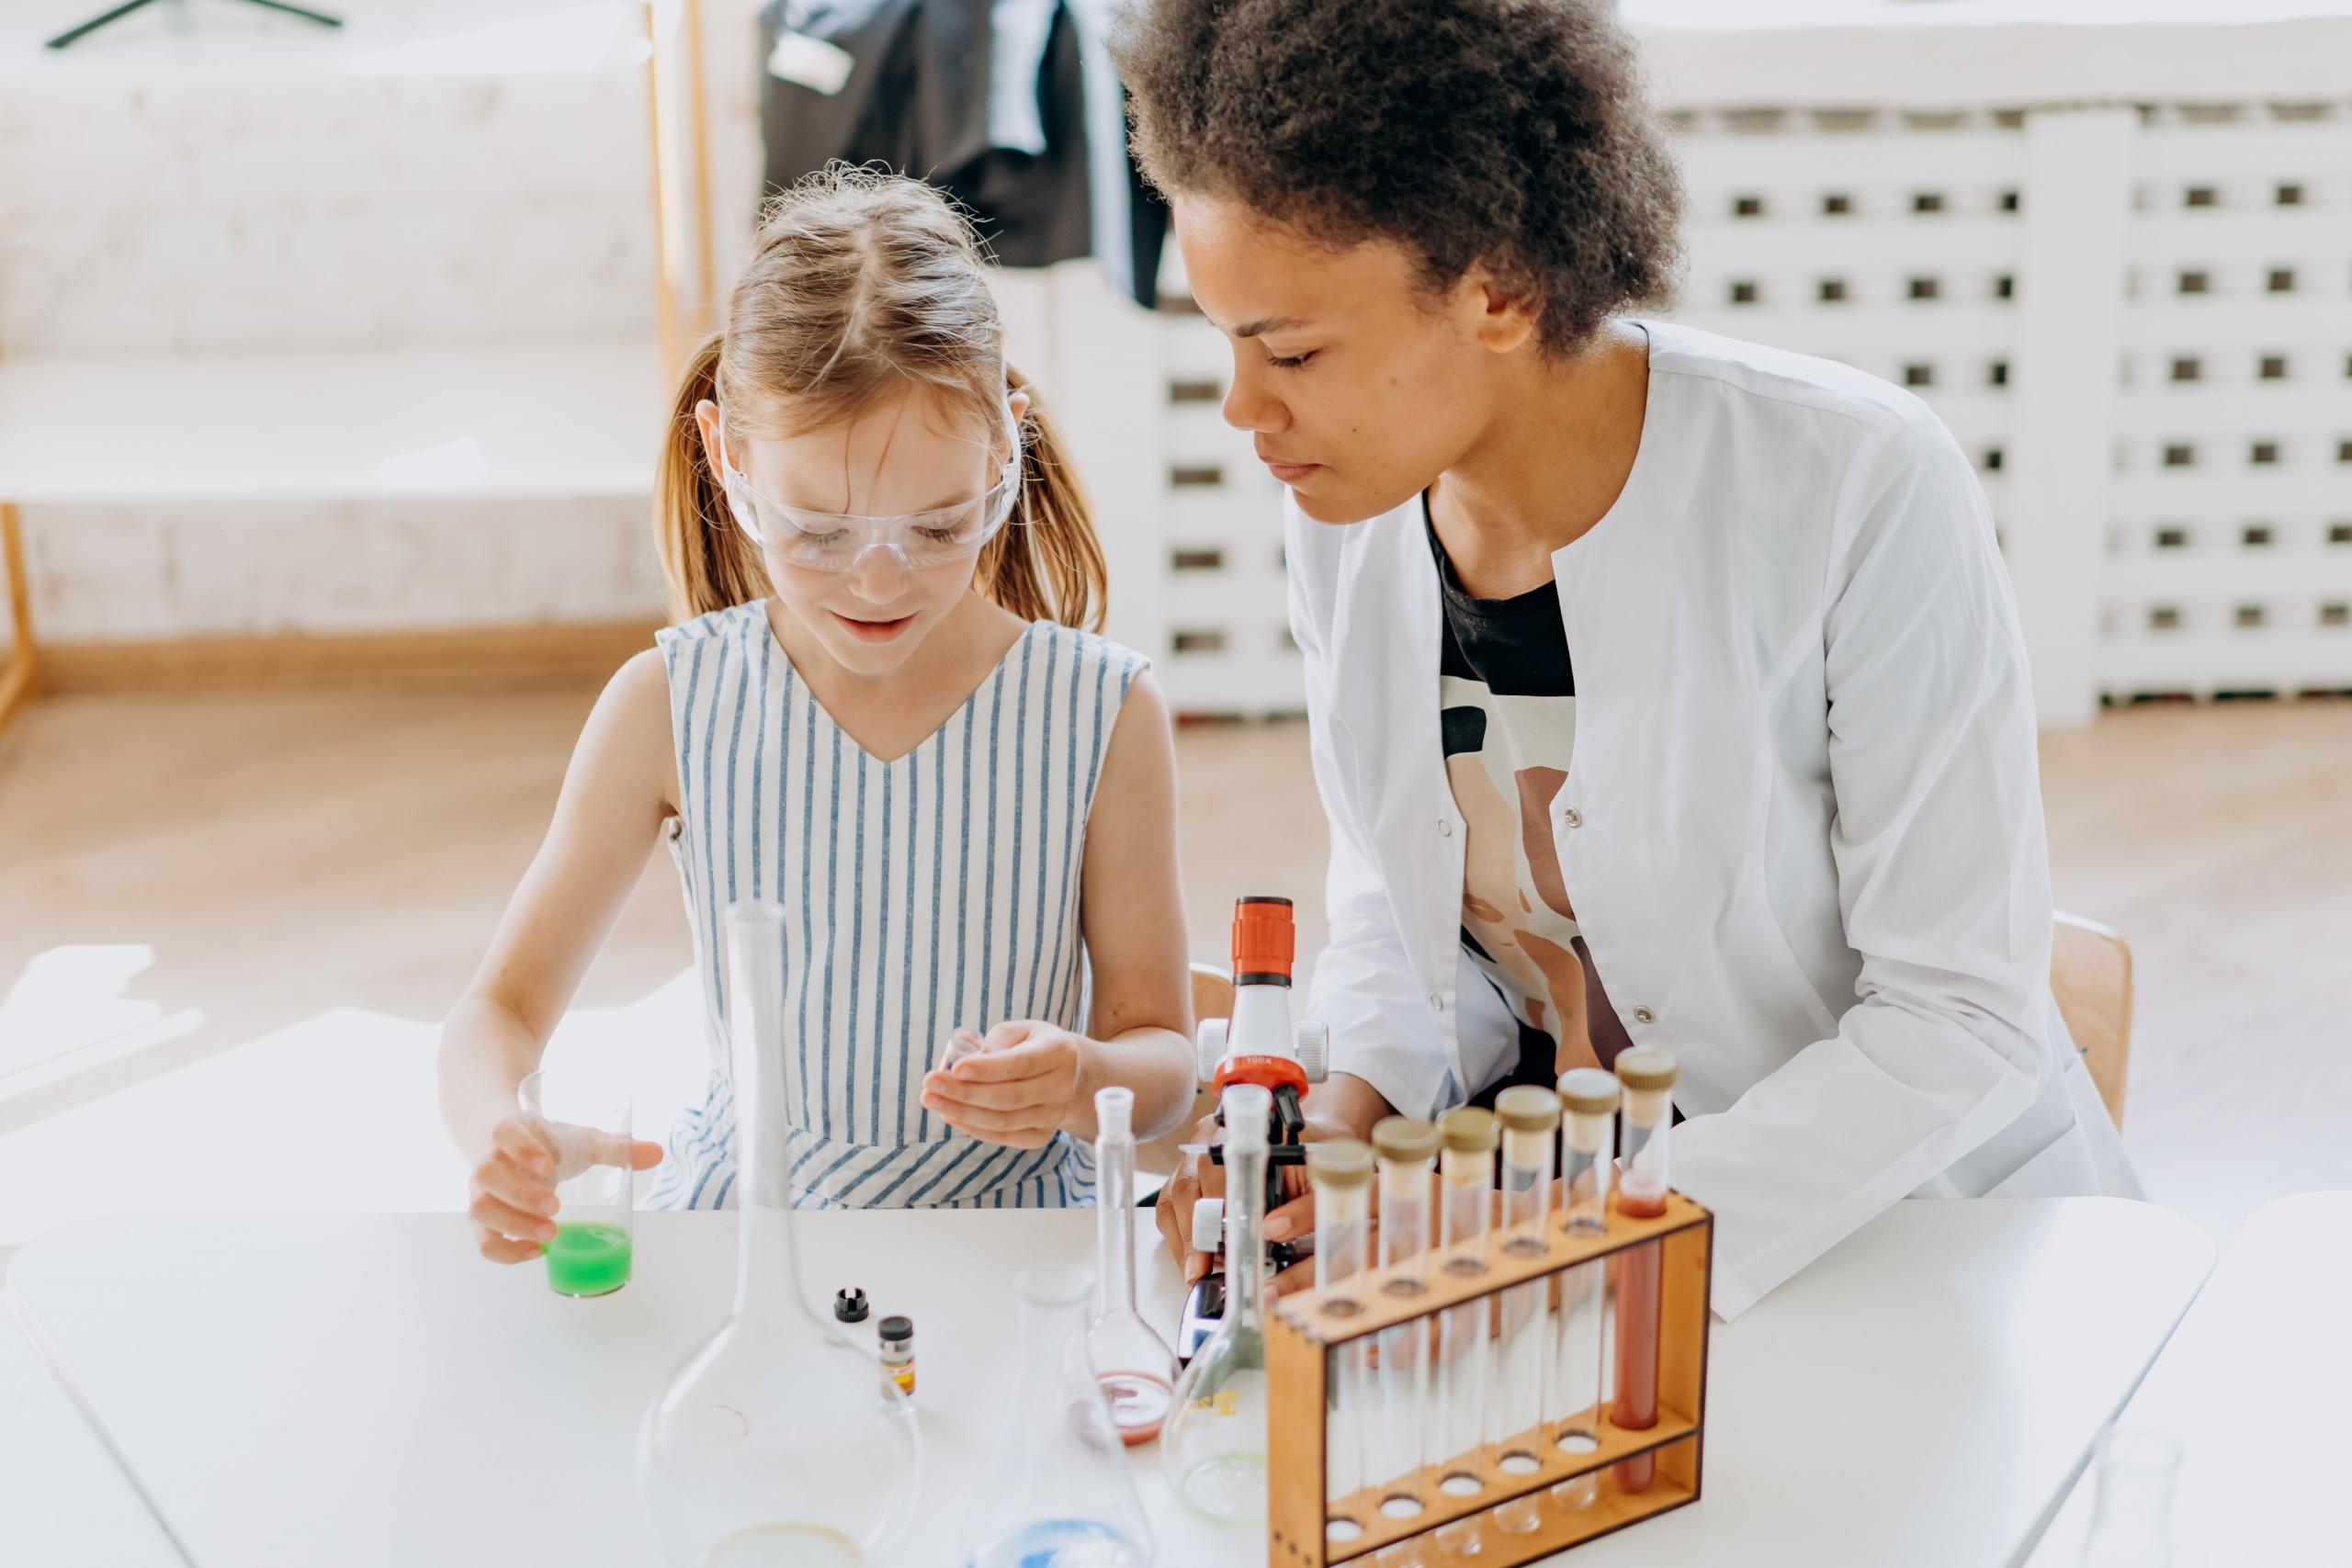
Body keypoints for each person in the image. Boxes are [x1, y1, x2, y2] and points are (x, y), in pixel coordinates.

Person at [1115, 0, 2138, 1318]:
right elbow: (1400, 899)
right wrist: (1345, 1110)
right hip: (1549, 1249)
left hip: (1894, 1249)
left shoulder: (1858, 484)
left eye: (1293, 351)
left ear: (1499, 288)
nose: (1243, 407)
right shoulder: (1346, 510)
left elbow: (1958, 1021)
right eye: (1226, 339)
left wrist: (1517, 1230)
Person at [436, 167, 1195, 1263]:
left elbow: (1162, 1053)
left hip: (1017, 1254)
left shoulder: (1101, 713)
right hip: (749, 1235)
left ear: (1005, 453)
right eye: (817, 532)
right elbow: (497, 1013)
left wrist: (1086, 1078)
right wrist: (494, 1132)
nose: (877, 583)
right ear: (727, 459)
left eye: (938, 527)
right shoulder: (668, 704)